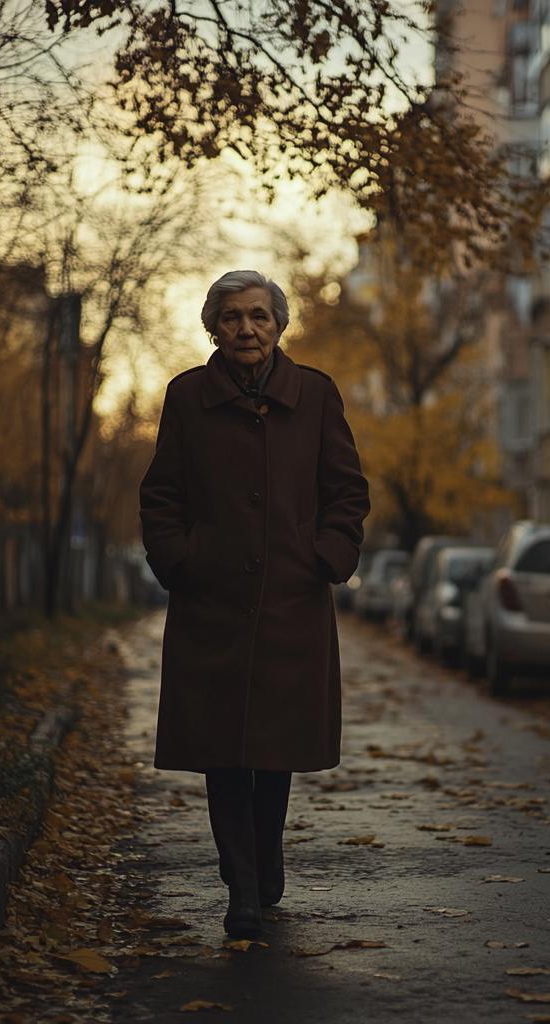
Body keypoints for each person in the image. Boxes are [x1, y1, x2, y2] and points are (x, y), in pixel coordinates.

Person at [139, 270, 370, 938]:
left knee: (274, 750)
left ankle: (264, 854)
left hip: (292, 603)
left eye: (259, 317)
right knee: (223, 751)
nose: (247, 329)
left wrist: (325, 558)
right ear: (213, 326)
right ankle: (241, 884)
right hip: (211, 603)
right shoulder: (187, 397)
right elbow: (162, 496)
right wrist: (180, 560)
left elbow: (347, 492)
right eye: (233, 317)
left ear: (278, 325)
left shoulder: (317, 396)